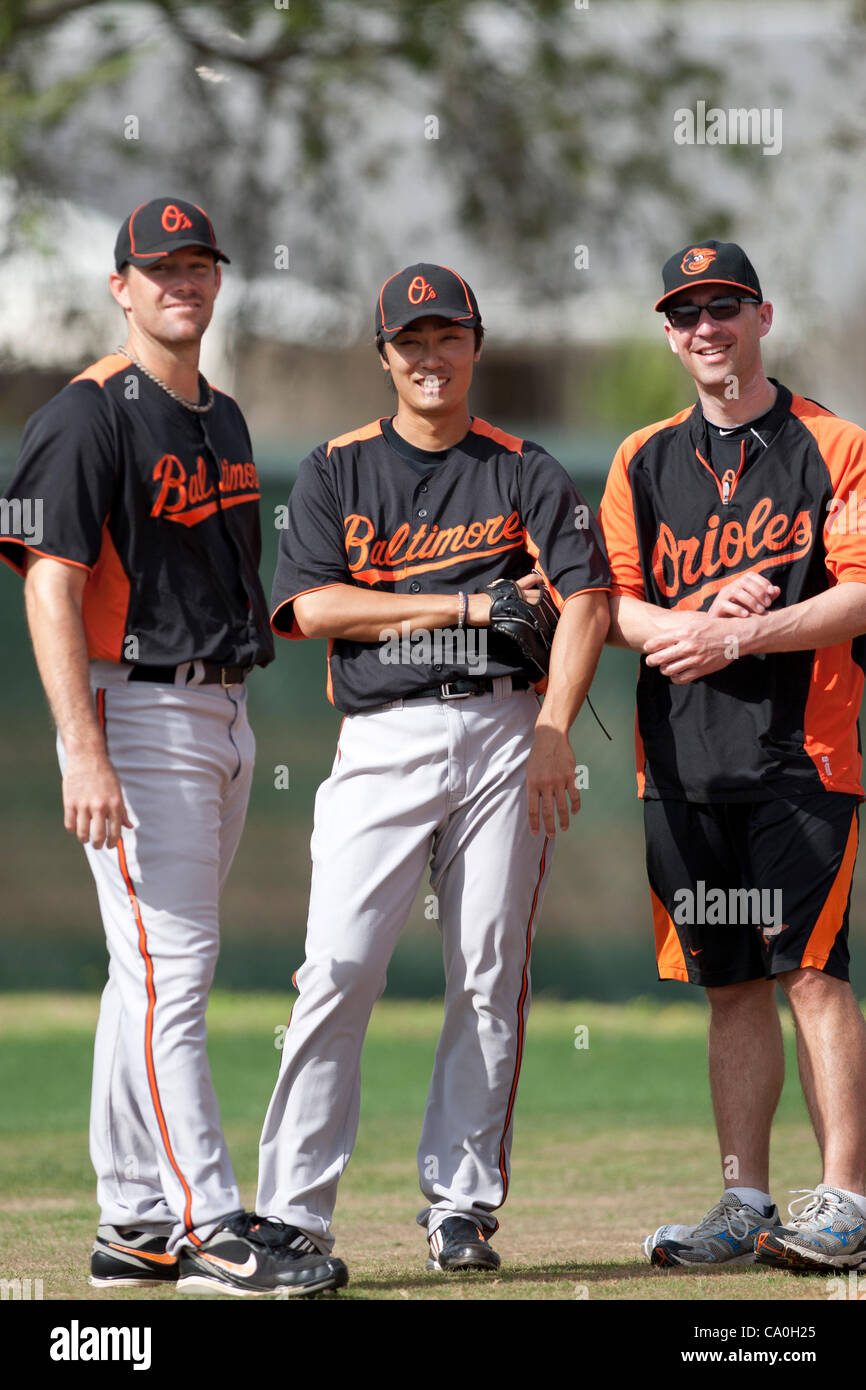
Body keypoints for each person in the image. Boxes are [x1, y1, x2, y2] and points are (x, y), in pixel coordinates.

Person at [0, 196, 347, 1298]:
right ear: (121, 286)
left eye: (198, 265)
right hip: (132, 709)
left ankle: (135, 1222)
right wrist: (80, 746)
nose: (181, 283)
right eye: (160, 268)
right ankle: (208, 1224)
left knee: (140, 976)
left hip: (219, 706)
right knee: (174, 975)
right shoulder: (85, 414)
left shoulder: (224, 416)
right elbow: (50, 588)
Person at [255, 261, 610, 1275]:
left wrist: (552, 726)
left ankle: (460, 1203)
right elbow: (311, 608)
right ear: (382, 355)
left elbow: (582, 599)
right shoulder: (334, 468)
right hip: (381, 736)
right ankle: (291, 1210)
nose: (427, 354)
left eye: (445, 335)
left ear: (474, 345)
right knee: (335, 967)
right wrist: (461, 604)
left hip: (505, 731)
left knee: (489, 970)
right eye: (409, 339)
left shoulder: (522, 467)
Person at [598, 238, 866, 1272]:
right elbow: (609, 604)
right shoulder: (639, 459)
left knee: (810, 972)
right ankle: (744, 1201)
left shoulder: (833, 445)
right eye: (684, 313)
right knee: (728, 985)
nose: (704, 328)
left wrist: (740, 634)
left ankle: (842, 1196)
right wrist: (691, 611)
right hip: (679, 764)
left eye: (723, 307)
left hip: (803, 753)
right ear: (667, 335)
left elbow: (857, 591)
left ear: (761, 316)